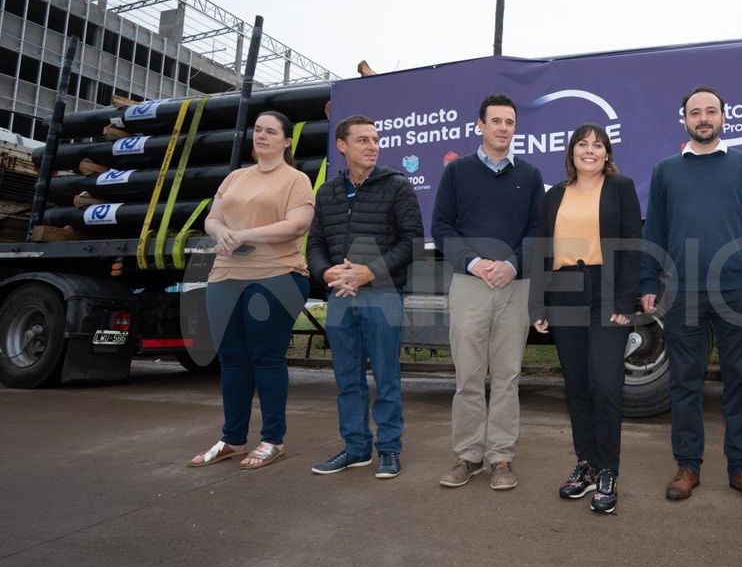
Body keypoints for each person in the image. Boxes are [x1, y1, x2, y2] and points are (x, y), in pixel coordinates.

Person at [640, 86, 742, 506]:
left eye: (711, 111)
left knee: (741, 382)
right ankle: (687, 467)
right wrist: (648, 282)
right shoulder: (666, 170)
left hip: (737, 290)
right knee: (684, 383)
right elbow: (655, 231)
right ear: (684, 119)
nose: (703, 118)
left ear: (723, 117)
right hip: (682, 292)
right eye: (695, 112)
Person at [187, 111, 314, 470]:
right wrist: (221, 233)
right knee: (231, 360)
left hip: (276, 275)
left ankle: (273, 440)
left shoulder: (296, 180)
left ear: (286, 141)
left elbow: (297, 225)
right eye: (258, 130)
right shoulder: (235, 177)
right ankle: (232, 439)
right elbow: (212, 218)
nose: (262, 135)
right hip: (225, 275)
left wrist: (244, 235)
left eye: (271, 131)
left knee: (266, 358)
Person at [432, 93, 545, 490]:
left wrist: (512, 264)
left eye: (509, 122)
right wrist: (475, 263)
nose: (503, 128)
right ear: (479, 125)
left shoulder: (530, 175)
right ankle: (468, 455)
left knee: (507, 377)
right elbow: (442, 227)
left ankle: (500, 457)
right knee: (468, 376)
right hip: (470, 284)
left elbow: (537, 230)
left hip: (515, 285)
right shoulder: (457, 172)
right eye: (495, 120)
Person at [530, 123, 641, 514]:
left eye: (598, 144)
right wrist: (538, 304)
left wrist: (625, 302)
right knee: (577, 385)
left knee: (606, 385)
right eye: (583, 144)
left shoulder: (621, 188)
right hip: (564, 289)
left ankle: (609, 470)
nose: (590, 150)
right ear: (571, 152)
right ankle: (587, 464)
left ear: (607, 153)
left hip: (606, 290)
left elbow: (631, 247)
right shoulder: (554, 195)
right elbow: (541, 249)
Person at [307, 115, 423, 480]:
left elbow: (412, 241)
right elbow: (315, 243)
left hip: (382, 293)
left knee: (386, 377)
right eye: (363, 140)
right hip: (340, 295)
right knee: (347, 379)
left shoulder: (397, 186)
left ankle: (388, 449)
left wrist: (369, 272)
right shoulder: (327, 192)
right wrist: (326, 273)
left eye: (375, 140)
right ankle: (356, 449)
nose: (372, 146)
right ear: (342, 146)